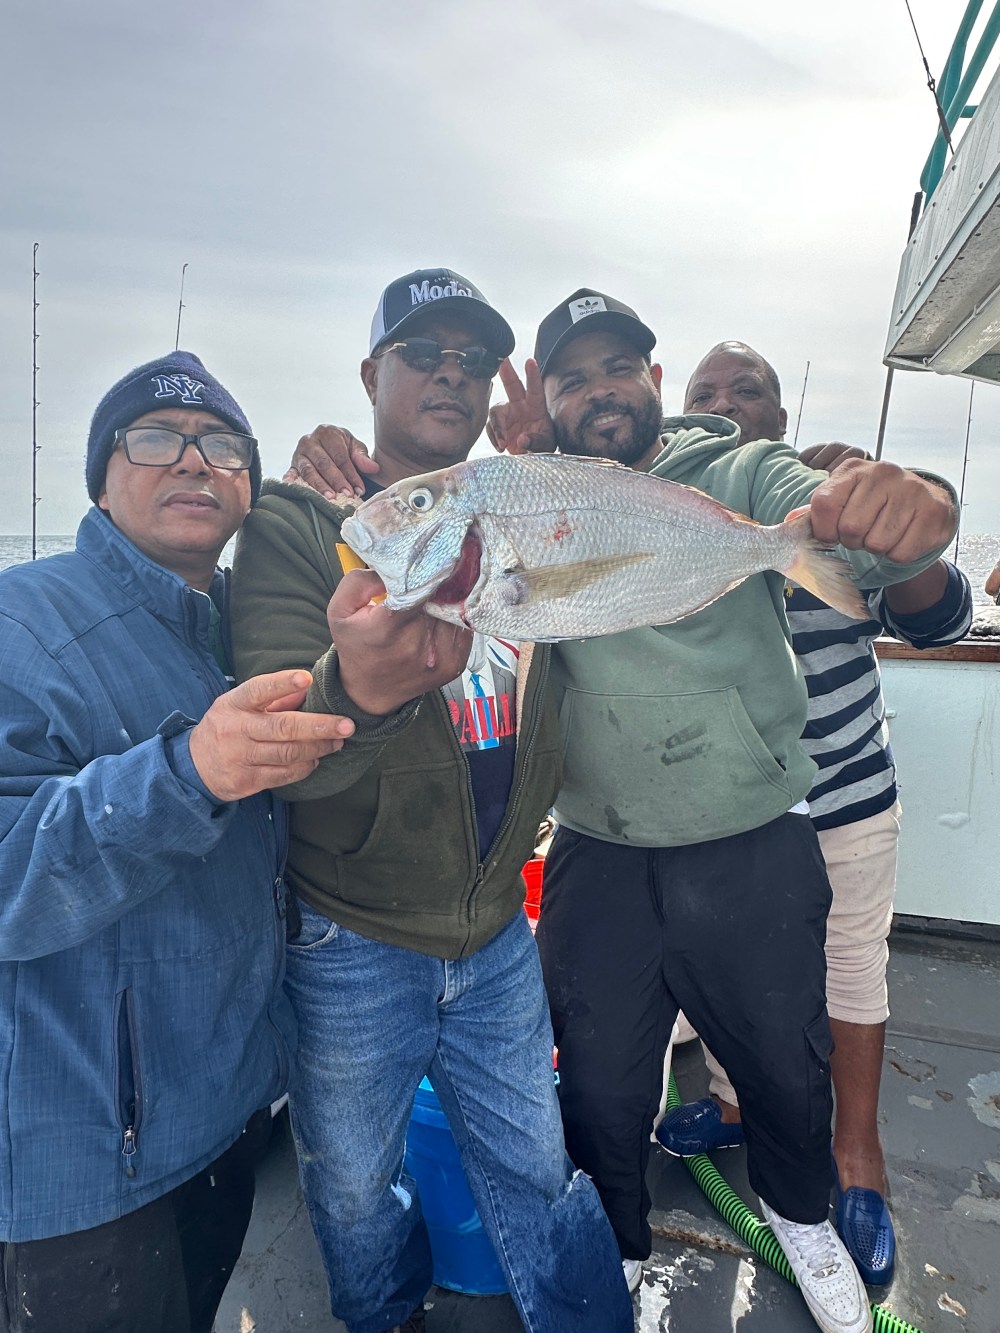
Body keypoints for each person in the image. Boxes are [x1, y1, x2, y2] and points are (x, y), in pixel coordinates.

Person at [482, 290, 957, 1333]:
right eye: (571, 377)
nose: (598, 391)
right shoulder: (532, 493)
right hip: (598, 847)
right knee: (601, 1085)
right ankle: (613, 1246)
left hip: (751, 837)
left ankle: (801, 1218)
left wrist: (911, 506)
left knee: (783, 1066)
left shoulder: (738, 472)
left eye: (619, 369)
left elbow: (841, 513)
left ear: (653, 382)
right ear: (548, 404)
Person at [229, 269, 633, 1333]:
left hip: (497, 925)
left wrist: (557, 458)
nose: (449, 373)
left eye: (469, 357)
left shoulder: (531, 500)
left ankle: (585, 1321)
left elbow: (651, 530)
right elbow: (280, 752)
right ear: (371, 374)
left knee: (535, 1162)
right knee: (355, 1184)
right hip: (351, 936)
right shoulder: (297, 521)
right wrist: (357, 687)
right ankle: (382, 1317)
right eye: (421, 353)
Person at [0, 352, 355, 1333]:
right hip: (83, 1167)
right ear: (100, 478)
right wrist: (185, 772)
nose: (193, 463)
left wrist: (340, 490)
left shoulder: (244, 622)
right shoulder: (19, 621)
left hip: (225, 1119)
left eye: (221, 446)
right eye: (154, 440)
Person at [653, 342, 973, 1286]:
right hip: (728, 807)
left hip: (842, 797)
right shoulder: (674, 507)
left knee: (848, 976)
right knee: (724, 974)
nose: (724, 404)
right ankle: (737, 1105)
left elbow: (940, 620)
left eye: (746, 390)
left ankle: (856, 1153)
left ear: (779, 418)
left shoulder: (828, 499)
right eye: (704, 392)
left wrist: (904, 525)